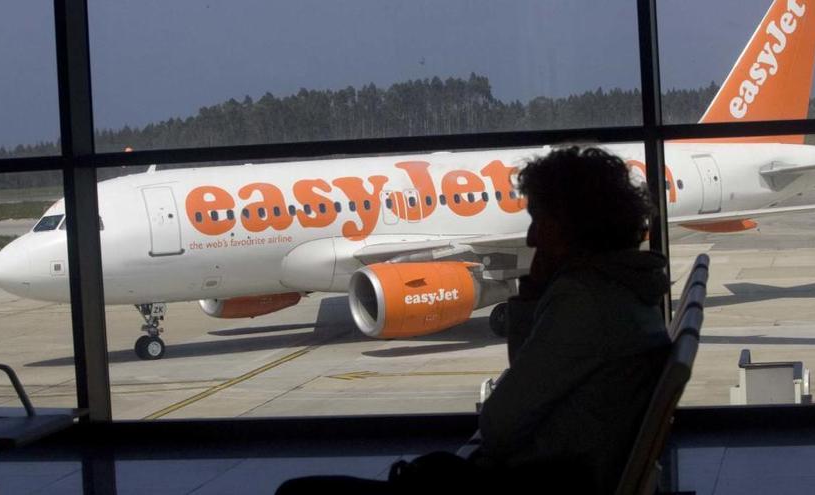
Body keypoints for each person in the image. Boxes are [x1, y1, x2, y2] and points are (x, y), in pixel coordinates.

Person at [276, 146, 671, 495]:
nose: (531, 238)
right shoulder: (628, 291)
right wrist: (531, 296)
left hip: (538, 480)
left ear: (574, 226)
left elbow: (498, 426)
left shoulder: (584, 303)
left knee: (300, 492)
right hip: (566, 473)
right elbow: (533, 379)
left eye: (540, 221)